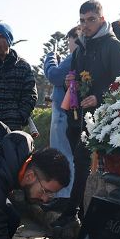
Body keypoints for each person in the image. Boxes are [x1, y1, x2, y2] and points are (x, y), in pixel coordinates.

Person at [56, 0, 120, 228]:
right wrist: (72, 81)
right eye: (82, 20)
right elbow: (80, 78)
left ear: (101, 18)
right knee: (80, 162)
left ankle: (75, 213)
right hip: (82, 116)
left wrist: (99, 96)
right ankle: (75, 211)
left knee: (89, 162)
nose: (86, 25)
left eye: (90, 19)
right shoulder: (81, 47)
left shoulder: (114, 46)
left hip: (108, 117)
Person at [42, 27, 79, 200]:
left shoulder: (75, 55)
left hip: (64, 113)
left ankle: (64, 196)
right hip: (69, 112)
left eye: (69, 40)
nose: (69, 45)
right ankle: (66, 195)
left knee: (63, 154)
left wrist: (50, 57)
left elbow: (54, 75)